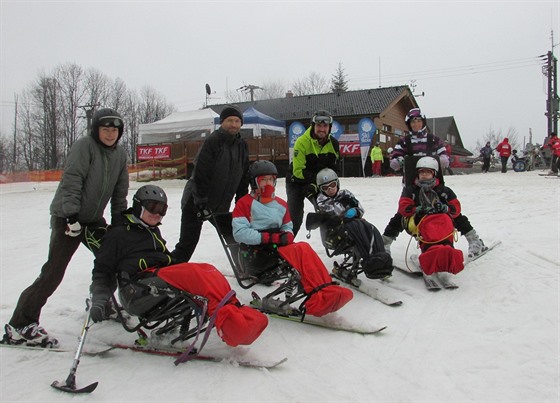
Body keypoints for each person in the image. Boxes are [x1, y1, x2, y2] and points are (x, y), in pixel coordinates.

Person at [3, 108, 129, 347]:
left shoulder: (120, 155)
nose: (110, 134)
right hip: (68, 218)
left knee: (111, 259)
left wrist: (119, 221)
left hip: (93, 220)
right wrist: (71, 216)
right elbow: (72, 180)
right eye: (106, 129)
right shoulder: (85, 147)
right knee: (53, 272)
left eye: (115, 130)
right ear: (96, 130)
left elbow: (120, 192)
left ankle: (102, 301)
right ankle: (20, 324)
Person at [90, 185, 268, 348]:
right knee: (196, 274)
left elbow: (168, 260)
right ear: (138, 206)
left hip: (154, 281)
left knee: (207, 270)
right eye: (152, 207)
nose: (157, 214)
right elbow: (102, 270)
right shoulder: (118, 234)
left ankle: (234, 311)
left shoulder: (152, 232)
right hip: (135, 292)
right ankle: (230, 322)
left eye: (162, 210)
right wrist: (99, 298)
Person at [232, 161, 353, 317]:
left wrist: (287, 234)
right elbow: (240, 233)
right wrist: (271, 237)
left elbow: (288, 226)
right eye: (263, 180)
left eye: (271, 179)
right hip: (255, 255)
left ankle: (324, 288)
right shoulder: (244, 203)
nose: (268, 183)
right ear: (254, 182)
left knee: (304, 248)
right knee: (300, 249)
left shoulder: (280, 204)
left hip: (275, 250)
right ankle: (318, 292)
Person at [382, 108, 487, 259]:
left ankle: (474, 240)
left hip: (434, 183)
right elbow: (394, 160)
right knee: (403, 214)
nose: (416, 124)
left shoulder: (433, 139)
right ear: (409, 124)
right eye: (413, 122)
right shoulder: (404, 141)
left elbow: (445, 156)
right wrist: (398, 161)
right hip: (413, 183)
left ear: (423, 122)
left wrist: (442, 159)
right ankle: (385, 242)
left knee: (449, 212)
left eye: (418, 121)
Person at [172, 105, 249, 263]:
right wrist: (201, 202)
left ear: (241, 123)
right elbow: (201, 173)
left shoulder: (242, 146)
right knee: (187, 243)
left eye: (237, 121)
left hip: (221, 206)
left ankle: (246, 268)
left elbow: (243, 176)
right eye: (229, 121)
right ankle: (170, 272)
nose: (233, 124)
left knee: (234, 238)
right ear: (222, 122)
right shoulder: (213, 141)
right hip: (195, 202)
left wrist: (241, 202)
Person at [314, 168, 393, 282]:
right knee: (358, 230)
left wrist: (355, 211)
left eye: (332, 185)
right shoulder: (322, 201)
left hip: (353, 225)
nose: (330, 189)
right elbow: (335, 215)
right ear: (321, 189)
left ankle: (380, 259)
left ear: (337, 183)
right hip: (334, 234)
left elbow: (360, 208)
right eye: (325, 188)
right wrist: (347, 212)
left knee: (371, 228)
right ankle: (370, 263)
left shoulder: (345, 193)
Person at [398, 157, 464, 275]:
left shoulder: (444, 190)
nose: (424, 174)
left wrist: (446, 208)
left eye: (427, 172)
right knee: (425, 223)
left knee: (449, 219)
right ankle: (430, 251)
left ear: (433, 173)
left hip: (441, 220)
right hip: (418, 221)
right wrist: (417, 209)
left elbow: (456, 208)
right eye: (422, 172)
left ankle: (447, 249)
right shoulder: (410, 190)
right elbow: (403, 207)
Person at [286, 110, 340, 236]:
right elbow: (298, 171)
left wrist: (332, 187)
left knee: (334, 208)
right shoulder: (302, 141)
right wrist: (315, 183)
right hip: (297, 181)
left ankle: (337, 238)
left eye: (325, 126)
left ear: (330, 128)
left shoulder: (334, 144)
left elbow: (334, 170)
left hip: (319, 181)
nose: (322, 129)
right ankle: (285, 243)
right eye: (319, 126)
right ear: (313, 126)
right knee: (295, 217)